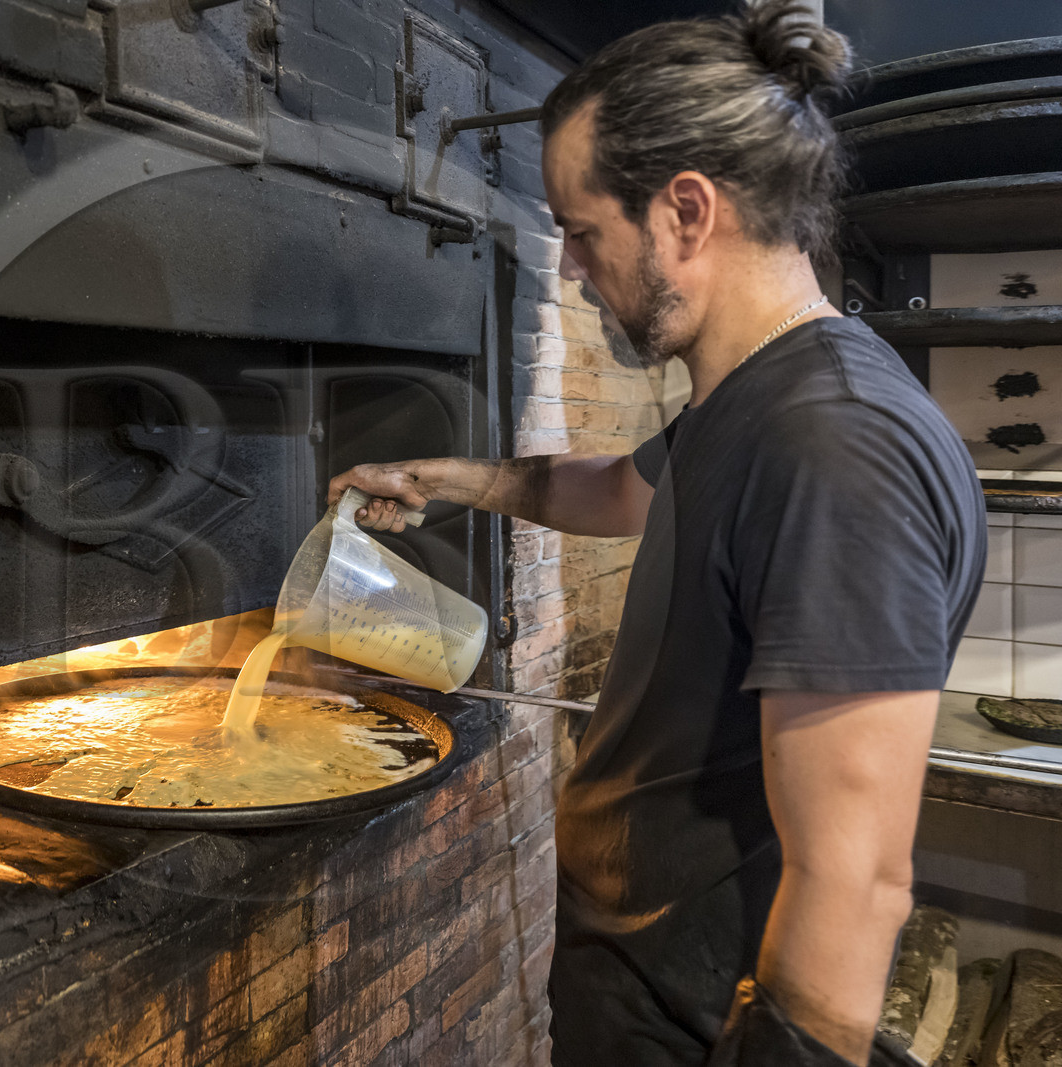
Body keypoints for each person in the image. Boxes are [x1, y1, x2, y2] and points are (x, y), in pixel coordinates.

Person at [327, 3, 985, 1065]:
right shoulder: (752, 404)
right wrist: (454, 479)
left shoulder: (833, 446)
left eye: (582, 232)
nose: (573, 271)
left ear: (684, 210)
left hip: (695, 1014)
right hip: (634, 974)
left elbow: (855, 876)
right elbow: (620, 492)